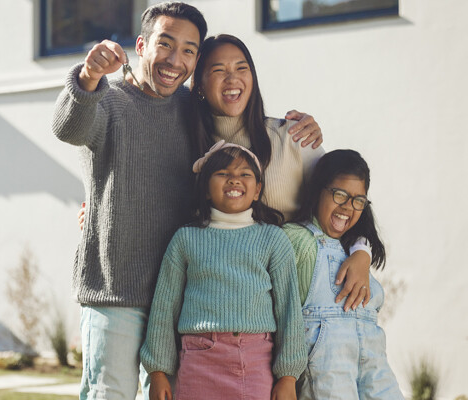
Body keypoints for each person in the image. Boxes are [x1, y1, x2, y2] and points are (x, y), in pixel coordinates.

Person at [52, 3, 320, 399]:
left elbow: (236, 121)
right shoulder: (107, 101)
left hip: (179, 304)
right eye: (166, 43)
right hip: (117, 294)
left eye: (189, 50)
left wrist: (303, 126)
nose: (175, 60)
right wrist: (89, 75)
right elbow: (67, 128)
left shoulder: (192, 113)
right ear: (142, 45)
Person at [188, 34, 374, 311]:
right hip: (236, 306)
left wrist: (362, 252)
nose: (232, 79)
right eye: (218, 71)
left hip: (306, 302)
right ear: (199, 85)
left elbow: (347, 200)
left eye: (242, 68)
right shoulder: (192, 153)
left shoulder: (291, 137)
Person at [141, 142, 306, 400]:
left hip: (254, 363)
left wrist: (288, 376)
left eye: (244, 174)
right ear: (206, 189)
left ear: (257, 190)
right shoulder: (186, 239)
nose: (234, 180)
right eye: (223, 174)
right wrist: (158, 372)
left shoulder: (273, 239)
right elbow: (164, 308)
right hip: (198, 362)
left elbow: (289, 311)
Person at [283, 150, 404, 399]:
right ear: (318, 190)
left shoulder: (355, 247)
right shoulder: (297, 240)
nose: (348, 207)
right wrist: (285, 376)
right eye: (340, 195)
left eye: (358, 200)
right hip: (329, 378)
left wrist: (362, 251)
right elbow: (281, 316)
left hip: (377, 377)